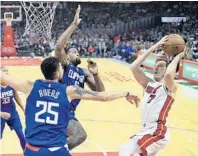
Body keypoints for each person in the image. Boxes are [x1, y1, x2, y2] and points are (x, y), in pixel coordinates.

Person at [1, 57, 140, 156]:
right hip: (56, 150)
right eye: (61, 68)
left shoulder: (29, 86)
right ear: (57, 74)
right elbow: (103, 96)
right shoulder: (69, 90)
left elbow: (3, 76)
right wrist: (125, 92)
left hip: (32, 150)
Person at [119, 36, 187, 156]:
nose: (156, 68)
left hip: (158, 131)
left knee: (126, 150)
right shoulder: (148, 83)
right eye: (156, 65)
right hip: (145, 130)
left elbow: (168, 77)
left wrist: (177, 57)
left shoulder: (170, 86)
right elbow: (133, 67)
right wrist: (154, 47)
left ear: (167, 70)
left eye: (161, 66)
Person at [53, 5, 105, 150]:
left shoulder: (84, 73)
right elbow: (58, 47)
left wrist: (95, 74)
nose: (77, 53)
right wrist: (74, 24)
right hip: (60, 108)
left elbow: (100, 93)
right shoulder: (65, 67)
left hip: (69, 112)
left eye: (77, 52)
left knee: (65, 140)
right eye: (73, 51)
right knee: (80, 136)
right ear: (67, 57)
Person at [0, 66, 26, 150]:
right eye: (4, 72)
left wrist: (23, 108)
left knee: (21, 135)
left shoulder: (11, 84)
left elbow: (16, 97)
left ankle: (27, 153)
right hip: (1, 115)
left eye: (7, 71)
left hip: (13, 114)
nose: (6, 73)